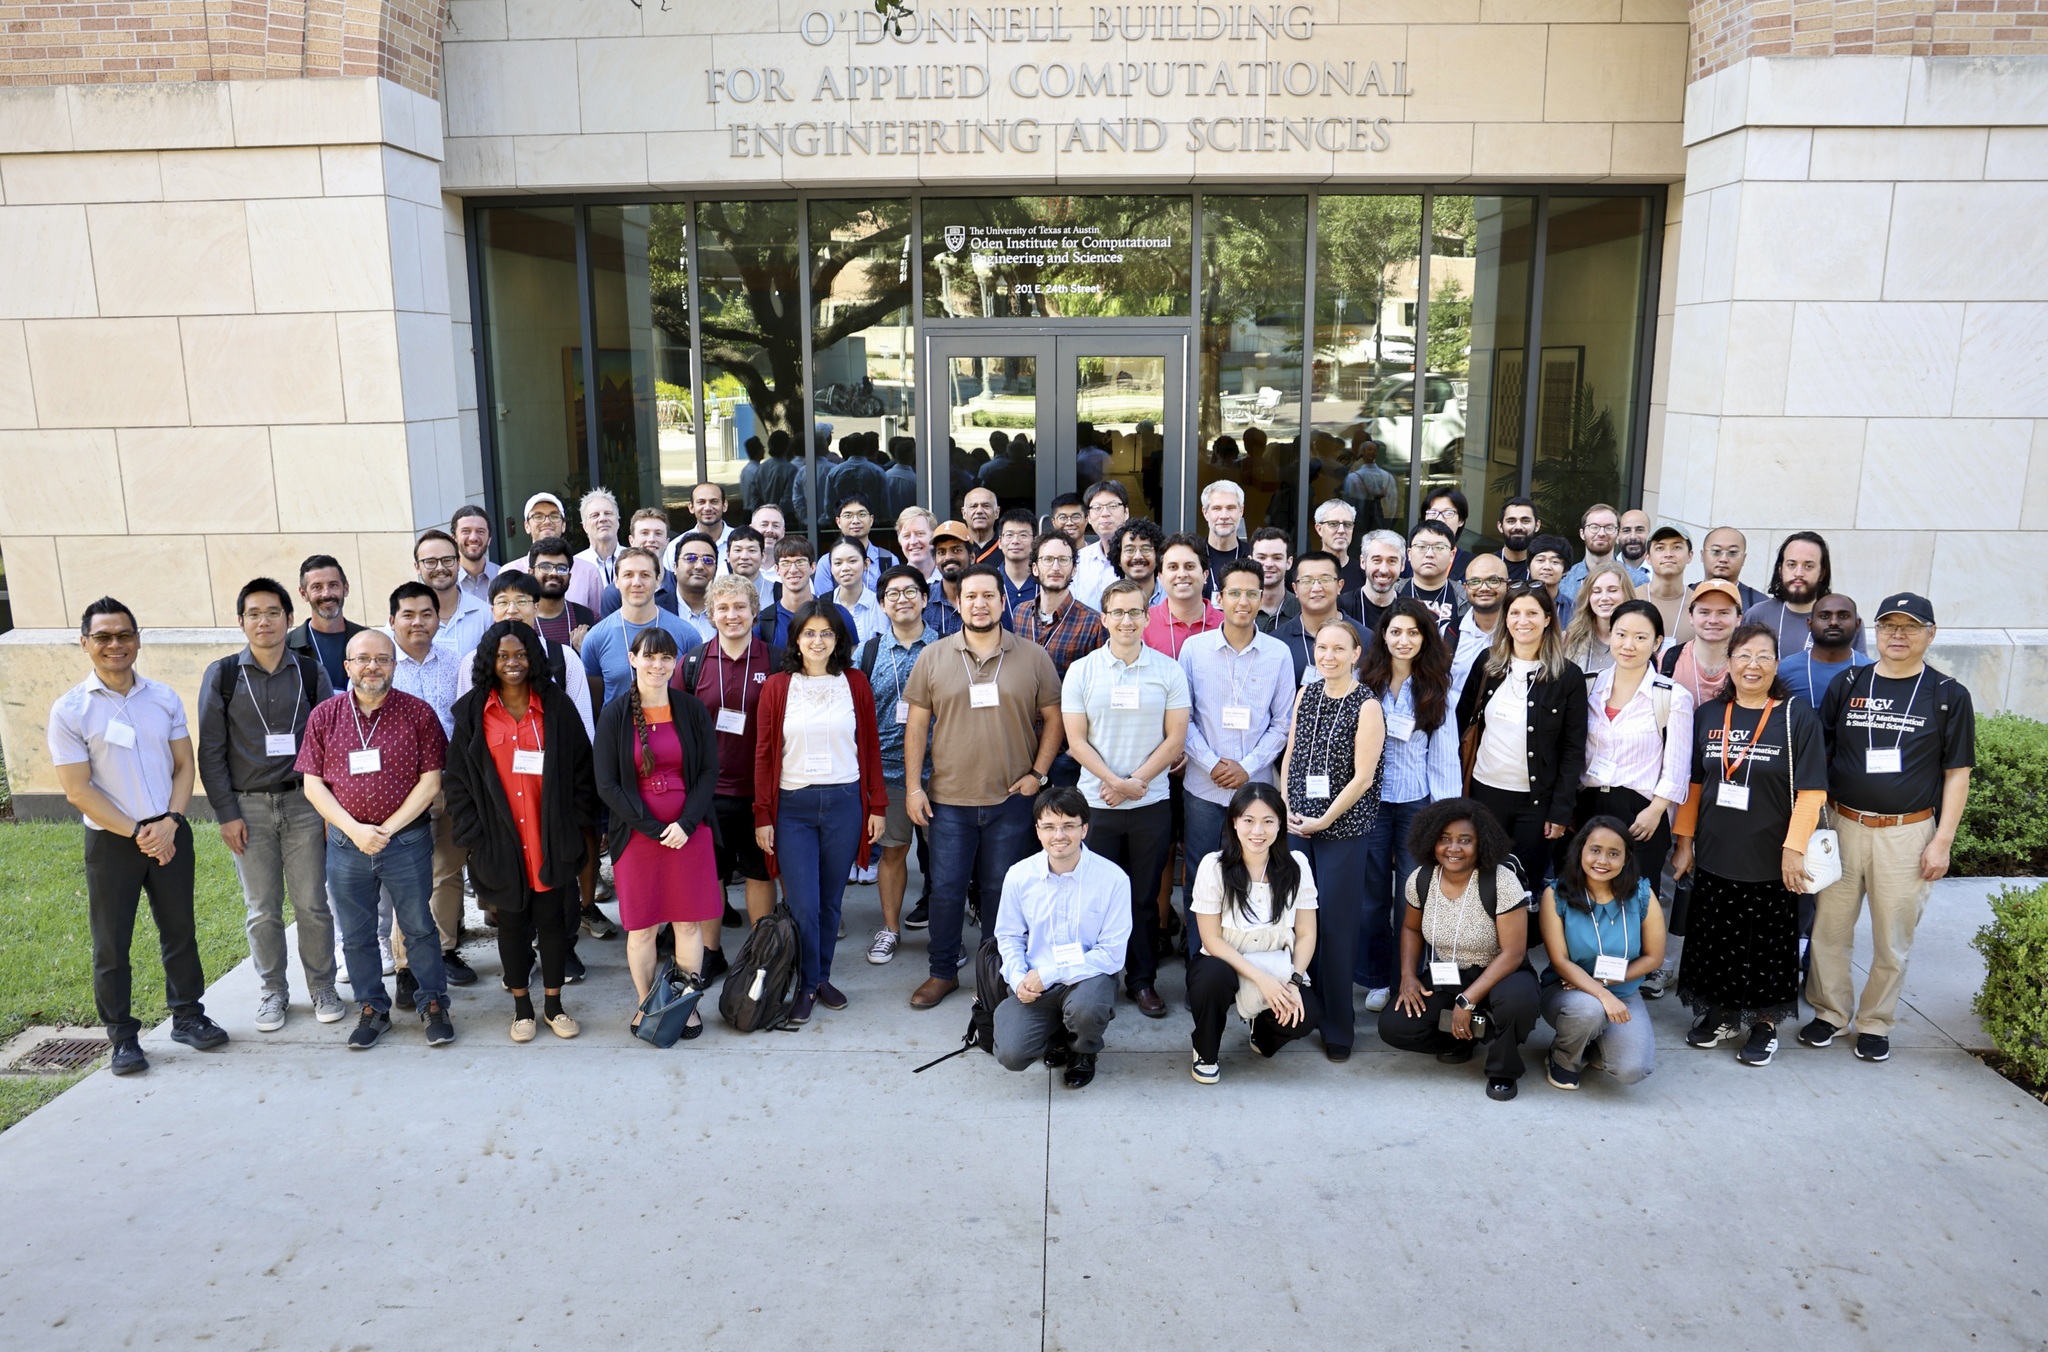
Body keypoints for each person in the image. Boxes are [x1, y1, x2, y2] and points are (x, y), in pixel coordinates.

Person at [49, 598, 230, 1076]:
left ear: (137, 639)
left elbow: (184, 765)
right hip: (113, 842)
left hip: (170, 830)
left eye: (124, 634)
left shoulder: (163, 698)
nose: (115, 644)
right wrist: (137, 832)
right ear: (84, 643)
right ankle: (123, 1038)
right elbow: (77, 790)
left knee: (180, 931)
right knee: (112, 943)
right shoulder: (70, 710)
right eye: (103, 636)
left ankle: (187, 1016)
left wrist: (171, 821)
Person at [1803, 592, 1975, 1063]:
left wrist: (1942, 841)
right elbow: (1822, 751)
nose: (1898, 635)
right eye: (1889, 625)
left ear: (1931, 634)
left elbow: (1957, 774)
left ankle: (1875, 1022)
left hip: (1907, 833)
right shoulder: (1850, 681)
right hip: (1843, 823)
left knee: (1891, 938)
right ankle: (1830, 1013)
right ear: (1874, 631)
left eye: (1910, 626)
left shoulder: (1948, 695)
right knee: (1829, 930)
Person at [902, 564, 1064, 1009]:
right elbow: (916, 726)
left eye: (989, 596)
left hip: (1012, 800)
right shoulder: (933, 656)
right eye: (970, 596)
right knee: (946, 891)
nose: (979, 604)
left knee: (1001, 893)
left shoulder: (1032, 656)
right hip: (948, 801)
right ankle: (941, 973)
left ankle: (995, 974)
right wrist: (914, 787)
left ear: (1002, 601)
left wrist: (1038, 774)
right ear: (957, 603)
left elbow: (1054, 719)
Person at [1668, 622, 1828, 1067]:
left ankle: (1764, 1023)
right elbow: (1694, 785)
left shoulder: (1796, 717)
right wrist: (1684, 843)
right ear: (1729, 662)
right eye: (1743, 655)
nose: (1752, 665)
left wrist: (1794, 849)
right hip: (1716, 851)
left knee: (1767, 946)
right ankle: (1722, 1014)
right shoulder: (1709, 715)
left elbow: (1812, 791)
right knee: (1717, 939)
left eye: (1762, 656)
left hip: (1771, 858)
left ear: (1776, 664)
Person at [297, 628, 454, 1050]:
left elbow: (431, 781)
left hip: (406, 841)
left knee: (419, 927)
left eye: (382, 659)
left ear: (393, 665)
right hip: (347, 845)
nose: (373, 667)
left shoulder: (418, 713)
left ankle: (432, 1003)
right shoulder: (325, 716)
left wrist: (387, 829)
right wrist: (356, 830)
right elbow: (313, 785)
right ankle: (372, 1007)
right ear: (347, 666)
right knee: (357, 933)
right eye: (363, 659)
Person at [196, 577, 341, 1033]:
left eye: (273, 613)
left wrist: (329, 808)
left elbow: (331, 744)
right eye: (254, 614)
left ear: (289, 618)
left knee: (312, 904)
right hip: (248, 809)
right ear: (241, 622)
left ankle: (323, 986)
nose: (264, 622)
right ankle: (273, 991)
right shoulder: (222, 676)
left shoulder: (311, 673)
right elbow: (210, 752)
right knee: (262, 908)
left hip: (304, 803)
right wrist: (226, 814)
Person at [444, 620, 598, 1043]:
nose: (512, 663)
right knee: (510, 926)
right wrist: (475, 838)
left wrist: (575, 826)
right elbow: (457, 782)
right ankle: (522, 1010)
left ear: (533, 658)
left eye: (521, 654)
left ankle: (554, 1006)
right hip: (499, 841)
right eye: (502, 656)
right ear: (489, 662)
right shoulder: (473, 712)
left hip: (550, 838)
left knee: (553, 924)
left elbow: (582, 769)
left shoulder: (556, 707)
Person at [752, 601, 889, 1024]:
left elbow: (870, 745)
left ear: (838, 639)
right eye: (809, 633)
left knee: (830, 902)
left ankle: (819, 978)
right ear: (795, 639)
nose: (817, 641)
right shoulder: (777, 687)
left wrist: (877, 805)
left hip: (845, 803)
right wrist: (762, 814)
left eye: (826, 633)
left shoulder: (855, 683)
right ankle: (806, 984)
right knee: (803, 904)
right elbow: (764, 754)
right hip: (792, 808)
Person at [1062, 578, 1192, 1019]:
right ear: (1104, 619)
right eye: (1117, 612)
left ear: (1146, 616)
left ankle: (1141, 980)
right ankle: (1093, 983)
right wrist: (1114, 782)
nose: (1126, 620)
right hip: (1096, 805)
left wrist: (1135, 781)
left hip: (1149, 804)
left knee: (1143, 898)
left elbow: (1175, 739)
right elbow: (1076, 741)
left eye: (1135, 612)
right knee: (1095, 896)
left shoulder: (1168, 671)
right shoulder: (1082, 671)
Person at [594, 626, 720, 1042]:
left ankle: (685, 1005)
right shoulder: (615, 714)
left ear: (675, 662)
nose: (658, 665)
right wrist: (653, 828)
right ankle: (647, 1003)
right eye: (649, 656)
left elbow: (708, 771)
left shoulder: (691, 709)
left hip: (689, 833)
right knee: (643, 928)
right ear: (633, 660)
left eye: (666, 657)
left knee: (688, 925)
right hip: (637, 836)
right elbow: (607, 784)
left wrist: (686, 825)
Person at [1376, 798, 1540, 1100]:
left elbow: (1513, 953)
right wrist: (1407, 976)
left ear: (1481, 843)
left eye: (1465, 840)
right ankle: (1464, 1039)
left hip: (1501, 973)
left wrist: (1467, 1001)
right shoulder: (1422, 878)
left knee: (1517, 1001)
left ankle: (1503, 1069)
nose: (1453, 848)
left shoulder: (1501, 881)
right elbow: (1411, 928)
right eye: (1445, 839)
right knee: (1394, 1025)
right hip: (1449, 972)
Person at [1280, 618, 1387, 1059]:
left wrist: (1323, 820)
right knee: (1299, 921)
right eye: (1322, 647)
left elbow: (1363, 777)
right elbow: (1291, 754)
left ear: (1356, 654)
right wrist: (1286, 803)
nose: (1328, 656)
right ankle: (1301, 1010)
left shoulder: (1367, 705)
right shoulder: (1306, 694)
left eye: (1339, 649)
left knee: (1337, 926)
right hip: (1297, 826)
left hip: (1341, 829)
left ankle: (1338, 1026)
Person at [1356, 599, 1462, 1015]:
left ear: (1425, 638)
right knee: (1371, 896)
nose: (1404, 640)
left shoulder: (1437, 688)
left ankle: (1408, 976)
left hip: (1417, 805)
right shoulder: (1364, 681)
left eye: (1413, 633)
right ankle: (1375, 977)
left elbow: (1444, 757)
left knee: (1412, 895)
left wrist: (1445, 816)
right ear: (1383, 635)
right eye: (1396, 631)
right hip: (1369, 802)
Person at [991, 788, 1133, 1090]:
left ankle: (1083, 1049)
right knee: (1011, 1054)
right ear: (1038, 831)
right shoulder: (1019, 875)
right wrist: (1018, 979)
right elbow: (1009, 935)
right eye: (1049, 827)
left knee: (1086, 1008)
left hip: (1088, 977)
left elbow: (1111, 954)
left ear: (1084, 829)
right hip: (1034, 980)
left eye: (1069, 825)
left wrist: (1050, 973)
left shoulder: (1113, 879)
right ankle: (1057, 1034)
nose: (1059, 835)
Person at [1186, 782, 1322, 1083]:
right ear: (1234, 822)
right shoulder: (1213, 866)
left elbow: (1306, 934)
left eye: (1268, 821)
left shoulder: (1297, 866)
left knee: (1305, 1015)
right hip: (1225, 961)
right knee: (1211, 978)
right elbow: (1211, 939)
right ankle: (1205, 1049)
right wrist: (1262, 980)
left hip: (1276, 963)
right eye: (1248, 820)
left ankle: (1261, 1032)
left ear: (1280, 825)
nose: (1257, 831)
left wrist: (1293, 981)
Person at [678, 573, 780, 968]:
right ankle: (711, 953)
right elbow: (676, 725)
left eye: (740, 607)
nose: (732, 615)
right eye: (722, 608)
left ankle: (759, 956)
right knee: (711, 875)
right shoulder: (693, 662)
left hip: (761, 790)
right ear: (710, 614)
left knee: (760, 872)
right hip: (709, 790)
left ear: (755, 611)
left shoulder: (776, 660)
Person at [383, 580, 479, 993]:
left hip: (450, 783)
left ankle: (442, 950)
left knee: (447, 870)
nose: (418, 622)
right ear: (392, 620)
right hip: (401, 789)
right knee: (407, 875)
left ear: (439, 619)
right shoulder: (381, 665)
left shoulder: (457, 663)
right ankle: (407, 964)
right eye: (408, 614)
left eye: (427, 614)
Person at [1456, 583, 1587, 884]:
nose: (1522, 621)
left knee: (1523, 885)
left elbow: (1573, 749)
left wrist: (1561, 811)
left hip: (1536, 804)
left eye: (1532, 613)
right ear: (1505, 618)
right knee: (1480, 880)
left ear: (1548, 619)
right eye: (1514, 613)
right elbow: (1462, 724)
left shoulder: (1567, 676)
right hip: (1484, 794)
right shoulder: (1487, 664)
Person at [1538, 817, 1666, 1089]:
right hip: (1567, 989)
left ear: (1626, 858)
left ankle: (1591, 1044)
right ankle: (1563, 1058)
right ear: (1580, 850)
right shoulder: (1557, 894)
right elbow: (1559, 960)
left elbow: (1653, 957)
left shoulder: (1641, 894)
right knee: (1589, 1010)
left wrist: (1605, 984)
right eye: (1595, 850)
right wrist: (1602, 994)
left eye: (1613, 853)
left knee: (1633, 1069)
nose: (1603, 860)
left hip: (1622, 991)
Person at [1577, 600, 1693, 889]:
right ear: (1610, 635)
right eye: (1621, 634)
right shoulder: (1588, 686)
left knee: (1635, 899)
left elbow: (1677, 767)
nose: (1628, 645)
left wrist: (1655, 811)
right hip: (1587, 806)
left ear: (1657, 643)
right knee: (1584, 895)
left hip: (1641, 814)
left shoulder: (1672, 696)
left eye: (1640, 637)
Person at [859, 566, 938, 963]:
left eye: (910, 591)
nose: (902, 599)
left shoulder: (945, 647)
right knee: (892, 852)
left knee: (944, 857)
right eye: (892, 594)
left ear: (925, 598)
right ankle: (889, 929)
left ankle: (944, 935)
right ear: (881, 604)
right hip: (888, 771)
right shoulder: (867, 652)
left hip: (941, 771)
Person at [581, 547, 700, 708]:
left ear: (657, 580)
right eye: (628, 575)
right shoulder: (596, 638)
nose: (637, 583)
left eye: (645, 575)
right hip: (617, 723)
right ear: (616, 581)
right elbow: (594, 703)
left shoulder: (686, 634)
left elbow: (695, 696)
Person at [1746, 530, 1867, 656]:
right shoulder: (1757, 615)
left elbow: (1859, 665)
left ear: (1822, 573)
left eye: (1808, 566)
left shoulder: (1844, 618)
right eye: (1791, 565)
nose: (1798, 573)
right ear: (1780, 570)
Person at [1015, 530, 1106, 681]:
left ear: (1074, 569)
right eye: (1048, 559)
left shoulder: (1093, 623)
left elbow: (1099, 681)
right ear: (1035, 568)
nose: (1055, 567)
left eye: (1063, 560)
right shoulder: (1020, 613)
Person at [500, 493, 604, 612]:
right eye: (538, 516)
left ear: (563, 525)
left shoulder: (588, 572)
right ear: (527, 526)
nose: (547, 521)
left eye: (554, 516)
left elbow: (599, 620)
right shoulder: (509, 572)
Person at [1661, 578, 1741, 708]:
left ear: (1738, 618)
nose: (1713, 620)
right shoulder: (1665, 661)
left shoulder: (1747, 665)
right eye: (1704, 612)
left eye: (1723, 613)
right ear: (1691, 617)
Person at [1783, 593, 1873, 708]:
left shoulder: (1872, 671)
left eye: (1844, 616)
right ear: (1810, 624)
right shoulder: (1783, 670)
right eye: (1824, 616)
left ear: (1857, 624)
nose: (1833, 622)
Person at [413, 528, 491, 661]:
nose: (440, 568)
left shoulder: (485, 614)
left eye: (447, 560)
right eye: (430, 562)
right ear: (417, 567)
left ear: (458, 563)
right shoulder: (405, 619)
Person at [288, 553, 362, 690]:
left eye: (333, 585)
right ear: (303, 594)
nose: (326, 594)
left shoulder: (368, 639)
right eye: (317, 587)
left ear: (345, 589)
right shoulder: (286, 647)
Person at [1558, 503, 1645, 617]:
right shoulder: (1564, 582)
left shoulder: (1637, 581)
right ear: (1582, 533)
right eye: (1594, 527)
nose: (1601, 533)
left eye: (1609, 528)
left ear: (1618, 534)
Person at [1145, 532, 1223, 658]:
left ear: (1205, 575)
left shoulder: (1225, 625)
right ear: (1161, 578)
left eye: (1189, 566)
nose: (1181, 574)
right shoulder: (1143, 623)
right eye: (1173, 567)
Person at [1274, 551, 1346, 686]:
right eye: (1307, 581)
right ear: (1295, 589)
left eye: (1325, 580)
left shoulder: (1363, 638)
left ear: (1339, 585)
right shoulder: (1277, 643)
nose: (1316, 588)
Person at [1559, 561, 1639, 676]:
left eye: (1612, 590)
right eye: (1596, 591)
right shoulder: (1569, 639)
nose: (1604, 597)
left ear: (1627, 594)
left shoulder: (1639, 640)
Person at [810, 493, 900, 595]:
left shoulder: (888, 560)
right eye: (848, 515)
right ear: (838, 522)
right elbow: (824, 603)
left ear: (871, 520)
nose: (855, 521)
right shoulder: (827, 562)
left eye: (862, 514)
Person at [597, 508, 680, 616]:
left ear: (667, 542)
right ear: (631, 540)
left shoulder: (679, 585)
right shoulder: (614, 593)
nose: (651, 539)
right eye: (644, 533)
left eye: (658, 533)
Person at [525, 536, 598, 653]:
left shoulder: (589, 619)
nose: (554, 573)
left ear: (569, 576)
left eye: (562, 568)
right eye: (545, 567)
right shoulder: (518, 619)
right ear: (531, 573)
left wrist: (585, 650)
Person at [1451, 553, 1507, 701]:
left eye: (1493, 580)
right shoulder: (1448, 633)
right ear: (1465, 587)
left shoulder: (1519, 633)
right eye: (1475, 581)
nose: (1484, 588)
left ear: (1508, 585)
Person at [1397, 519, 1467, 635]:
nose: (1429, 554)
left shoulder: (1465, 597)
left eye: (1439, 547)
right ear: (1409, 553)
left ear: (1452, 555)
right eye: (1421, 546)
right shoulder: (1393, 592)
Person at [1071, 479, 1131, 610]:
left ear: (1126, 512)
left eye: (1113, 506)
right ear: (1088, 517)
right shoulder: (1079, 559)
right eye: (1097, 508)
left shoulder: (1138, 558)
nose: (1105, 514)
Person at [1339, 528, 1405, 638]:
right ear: (1363, 562)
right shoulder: (1342, 607)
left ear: (1402, 565)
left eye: (1392, 561)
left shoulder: (1411, 611)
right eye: (1377, 560)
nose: (1383, 570)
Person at [824, 537, 886, 643]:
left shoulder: (879, 605)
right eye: (838, 563)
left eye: (852, 561)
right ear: (831, 568)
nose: (845, 568)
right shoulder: (824, 603)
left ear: (866, 564)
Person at [924, 520, 977, 636]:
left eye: (957, 550)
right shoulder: (924, 598)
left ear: (972, 557)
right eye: (941, 552)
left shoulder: (984, 598)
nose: (948, 557)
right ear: (935, 560)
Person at [1198, 480, 1251, 596]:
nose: (1224, 516)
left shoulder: (1252, 557)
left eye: (1231, 508)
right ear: (1205, 513)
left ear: (1241, 511)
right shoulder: (1194, 556)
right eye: (1216, 508)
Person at [1641, 524, 1692, 643]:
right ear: (1648, 557)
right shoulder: (1630, 598)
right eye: (1660, 548)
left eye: (1677, 547)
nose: (1668, 554)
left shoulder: (1699, 604)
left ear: (1690, 556)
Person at [1311, 498, 1370, 596]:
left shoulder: (1365, 573)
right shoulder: (1304, 571)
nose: (1341, 530)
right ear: (1319, 529)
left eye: (1347, 524)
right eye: (1333, 524)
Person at [670, 532, 721, 643]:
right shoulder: (656, 609)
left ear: (716, 569)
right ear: (675, 567)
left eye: (708, 560)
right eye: (691, 558)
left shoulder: (728, 610)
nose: (699, 566)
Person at [1341, 437, 1399, 533]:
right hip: (1360, 505)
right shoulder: (1356, 467)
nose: (1372, 452)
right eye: (1369, 450)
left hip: (1375, 505)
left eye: (1374, 450)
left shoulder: (1379, 469)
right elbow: (1353, 488)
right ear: (1363, 451)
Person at [990, 508, 1040, 619]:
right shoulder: (989, 581)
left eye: (1023, 535)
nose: (1015, 541)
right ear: (1000, 542)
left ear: (1035, 542)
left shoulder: (1045, 582)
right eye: (1009, 535)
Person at [1247, 528, 1299, 633]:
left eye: (1277, 558)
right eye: (1262, 558)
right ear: (1250, 561)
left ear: (1289, 563)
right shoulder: (1238, 607)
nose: (1269, 564)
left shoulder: (1303, 610)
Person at [1110, 517, 1167, 609]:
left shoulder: (1171, 597)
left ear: (1158, 555)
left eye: (1146, 549)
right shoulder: (1110, 599)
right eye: (1129, 550)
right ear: (1118, 558)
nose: (1138, 556)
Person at [1419, 488, 1475, 580]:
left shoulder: (1472, 564)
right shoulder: (1407, 560)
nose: (1440, 519)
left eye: (1448, 513)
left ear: (1461, 520)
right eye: (1433, 512)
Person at [450, 504, 499, 607]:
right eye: (466, 531)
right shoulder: (447, 581)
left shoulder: (502, 575)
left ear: (489, 539)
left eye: (480, 531)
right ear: (454, 539)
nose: (473, 538)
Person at [576, 488, 624, 590]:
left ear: (618, 522)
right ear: (585, 527)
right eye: (595, 515)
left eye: (608, 513)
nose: (602, 519)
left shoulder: (635, 559)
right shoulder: (575, 565)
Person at [725, 524, 774, 611]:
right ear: (728, 555)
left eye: (752, 550)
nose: (744, 557)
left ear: (763, 556)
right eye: (738, 550)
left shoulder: (778, 592)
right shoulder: (716, 593)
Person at [1495, 497, 1541, 582]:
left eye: (1525, 521)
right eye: (1511, 521)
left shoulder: (1544, 568)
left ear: (1537, 526)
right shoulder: (1487, 565)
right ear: (1500, 526)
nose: (1518, 527)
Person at [1527, 534, 1573, 619]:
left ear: (1565, 570)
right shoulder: (1515, 604)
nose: (1547, 567)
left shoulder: (1574, 609)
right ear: (1528, 567)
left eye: (1555, 562)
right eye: (1540, 560)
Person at [896, 505, 938, 584]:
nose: (913, 541)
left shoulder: (950, 579)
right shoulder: (895, 584)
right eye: (907, 536)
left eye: (920, 534)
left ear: (934, 537)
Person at [961, 485, 1001, 562]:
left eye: (986, 506)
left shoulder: (1007, 545)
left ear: (996, 512)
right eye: (973, 506)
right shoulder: (956, 545)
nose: (979, 511)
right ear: (964, 513)